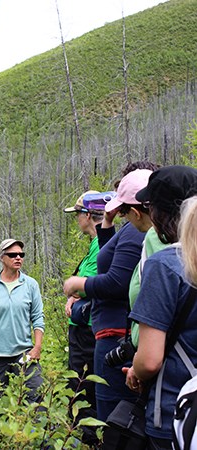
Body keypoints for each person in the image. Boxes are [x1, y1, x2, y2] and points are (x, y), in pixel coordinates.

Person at [64, 171, 147, 422]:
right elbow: (110, 263)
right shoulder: (126, 230)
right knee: (102, 404)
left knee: (111, 414)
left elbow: (116, 281)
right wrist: (108, 223)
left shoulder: (137, 230)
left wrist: (81, 285)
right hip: (106, 332)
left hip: (114, 333)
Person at [123, 165, 197, 449]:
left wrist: (135, 373)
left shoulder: (165, 266)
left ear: (162, 213)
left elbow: (150, 359)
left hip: (175, 413)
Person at [63, 189, 115, 446]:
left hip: (89, 331)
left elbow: (92, 284)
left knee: (84, 385)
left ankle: (89, 438)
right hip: (84, 329)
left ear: (87, 215)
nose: (77, 220)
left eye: (77, 215)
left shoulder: (101, 246)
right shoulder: (96, 244)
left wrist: (75, 291)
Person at [0, 238, 45, 403]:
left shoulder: (31, 285)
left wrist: (37, 346)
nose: (18, 258)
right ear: (2, 258)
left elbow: (38, 317)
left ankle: (34, 429)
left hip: (24, 353)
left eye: (21, 254)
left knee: (37, 398)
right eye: (13, 255)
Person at [104, 169, 168, 348]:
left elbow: (155, 305)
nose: (125, 219)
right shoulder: (179, 235)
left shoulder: (154, 239)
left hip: (160, 355)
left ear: (136, 212)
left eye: (124, 213)